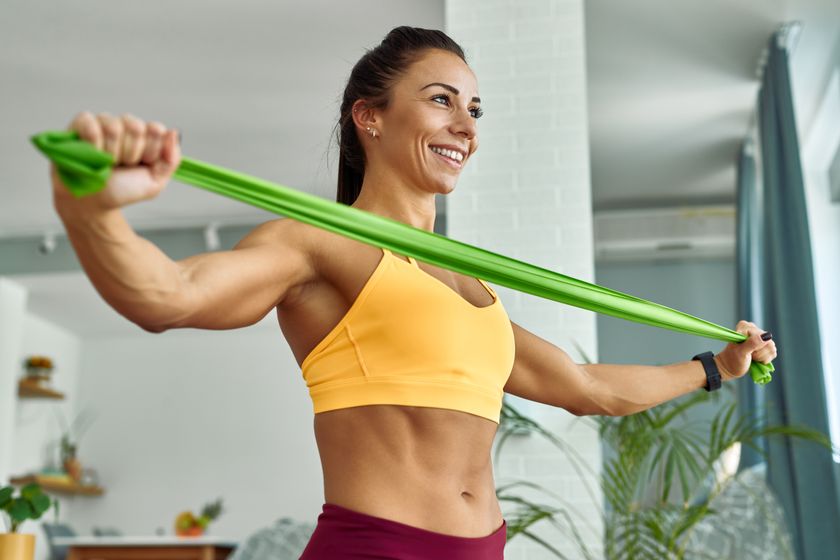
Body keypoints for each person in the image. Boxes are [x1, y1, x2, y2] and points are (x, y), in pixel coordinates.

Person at [49, 26, 777, 560]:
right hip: (376, 549)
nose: (465, 126)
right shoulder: (316, 243)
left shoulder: (472, 285)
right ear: (371, 114)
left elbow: (586, 386)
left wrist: (716, 367)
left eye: (474, 109)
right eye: (440, 101)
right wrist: (90, 208)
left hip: (484, 549)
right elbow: (167, 295)